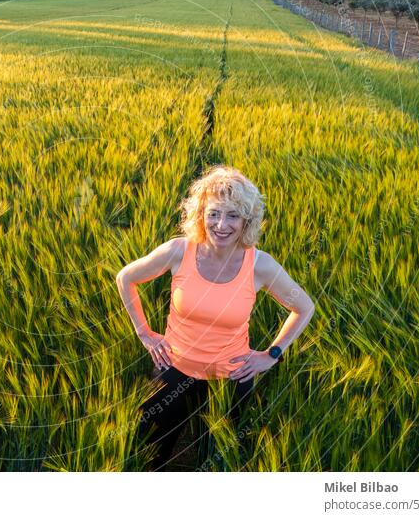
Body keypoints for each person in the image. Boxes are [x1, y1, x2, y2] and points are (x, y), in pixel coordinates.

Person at [115, 164, 316, 471]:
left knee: (215, 463)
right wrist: (144, 333)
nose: (221, 225)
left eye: (233, 215)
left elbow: (304, 307)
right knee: (148, 457)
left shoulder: (259, 265)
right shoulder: (178, 252)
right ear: (201, 215)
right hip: (174, 371)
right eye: (214, 213)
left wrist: (272, 354)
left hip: (230, 380)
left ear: (246, 220)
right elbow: (125, 278)